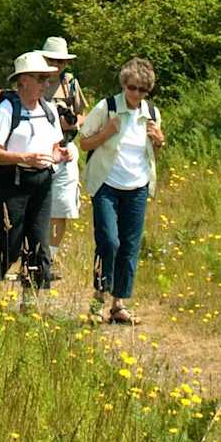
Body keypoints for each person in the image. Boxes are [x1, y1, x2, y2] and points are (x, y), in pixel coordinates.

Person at [79, 56, 166, 325]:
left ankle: (119, 304)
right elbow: (83, 143)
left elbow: (155, 149)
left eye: (142, 90)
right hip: (106, 184)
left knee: (130, 245)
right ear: (124, 85)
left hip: (137, 185)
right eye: (132, 87)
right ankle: (97, 300)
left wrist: (159, 140)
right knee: (109, 241)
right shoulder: (107, 108)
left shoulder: (151, 113)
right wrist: (106, 132)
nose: (136, 94)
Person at [0, 51, 71, 306]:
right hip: (11, 183)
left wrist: (60, 153)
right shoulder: (7, 109)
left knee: (39, 242)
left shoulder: (48, 109)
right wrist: (24, 158)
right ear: (23, 81)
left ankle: (29, 305)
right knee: (11, 242)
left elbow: (54, 145)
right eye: (41, 78)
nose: (46, 83)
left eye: (47, 78)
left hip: (42, 182)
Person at [41, 35, 87, 276]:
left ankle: (51, 259)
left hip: (66, 149)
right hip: (39, 151)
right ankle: (35, 258)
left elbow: (82, 114)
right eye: (52, 60)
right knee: (37, 207)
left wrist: (71, 125)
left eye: (61, 61)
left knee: (61, 208)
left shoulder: (69, 83)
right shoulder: (32, 81)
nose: (57, 65)